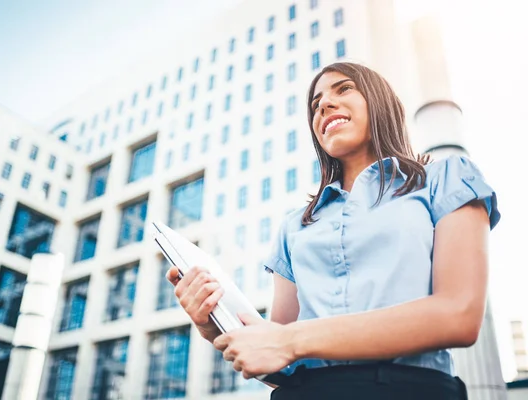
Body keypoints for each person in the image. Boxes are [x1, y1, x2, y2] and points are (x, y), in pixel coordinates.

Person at [166, 62, 500, 399]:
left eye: (344, 89)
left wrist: (291, 341)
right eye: (315, 104)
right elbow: (278, 363)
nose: (324, 105)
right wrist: (213, 326)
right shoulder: (295, 225)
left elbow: (459, 315)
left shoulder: (446, 179)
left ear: (380, 102)